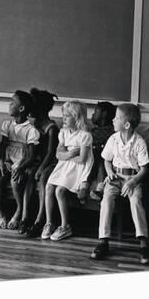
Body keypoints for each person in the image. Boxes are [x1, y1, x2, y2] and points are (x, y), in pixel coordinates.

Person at [91, 104, 149, 264]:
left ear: (126, 125)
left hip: (133, 179)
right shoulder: (113, 138)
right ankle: (103, 240)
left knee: (136, 201)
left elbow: (144, 169)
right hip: (115, 178)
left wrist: (132, 182)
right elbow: (106, 160)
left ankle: (144, 241)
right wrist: (109, 172)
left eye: (116, 117)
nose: (113, 119)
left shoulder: (139, 142)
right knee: (106, 201)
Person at [42, 100, 93, 241]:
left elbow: (82, 159)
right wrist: (70, 154)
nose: (63, 118)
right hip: (64, 164)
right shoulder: (64, 133)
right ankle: (49, 222)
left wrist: (66, 155)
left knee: (59, 190)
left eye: (67, 116)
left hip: (79, 168)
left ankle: (65, 226)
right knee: (48, 187)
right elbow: (58, 155)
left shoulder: (85, 135)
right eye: (63, 115)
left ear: (77, 117)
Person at [0, 91, 39, 230]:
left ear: (21, 108)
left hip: (22, 162)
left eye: (13, 102)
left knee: (15, 181)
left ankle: (19, 211)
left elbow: (31, 157)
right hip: (8, 160)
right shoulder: (7, 125)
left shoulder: (31, 130)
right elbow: (2, 147)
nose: (9, 104)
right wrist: (0, 161)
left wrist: (20, 167)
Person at [23, 88, 59, 237]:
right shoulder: (32, 126)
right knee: (28, 173)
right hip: (36, 161)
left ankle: (40, 219)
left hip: (50, 162)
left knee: (43, 177)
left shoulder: (51, 128)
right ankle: (25, 217)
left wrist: (41, 167)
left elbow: (51, 153)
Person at [88, 101, 116, 200]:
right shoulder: (93, 131)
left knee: (102, 157)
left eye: (96, 111)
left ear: (104, 114)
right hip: (90, 160)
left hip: (103, 162)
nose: (93, 114)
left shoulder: (111, 132)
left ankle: (100, 189)